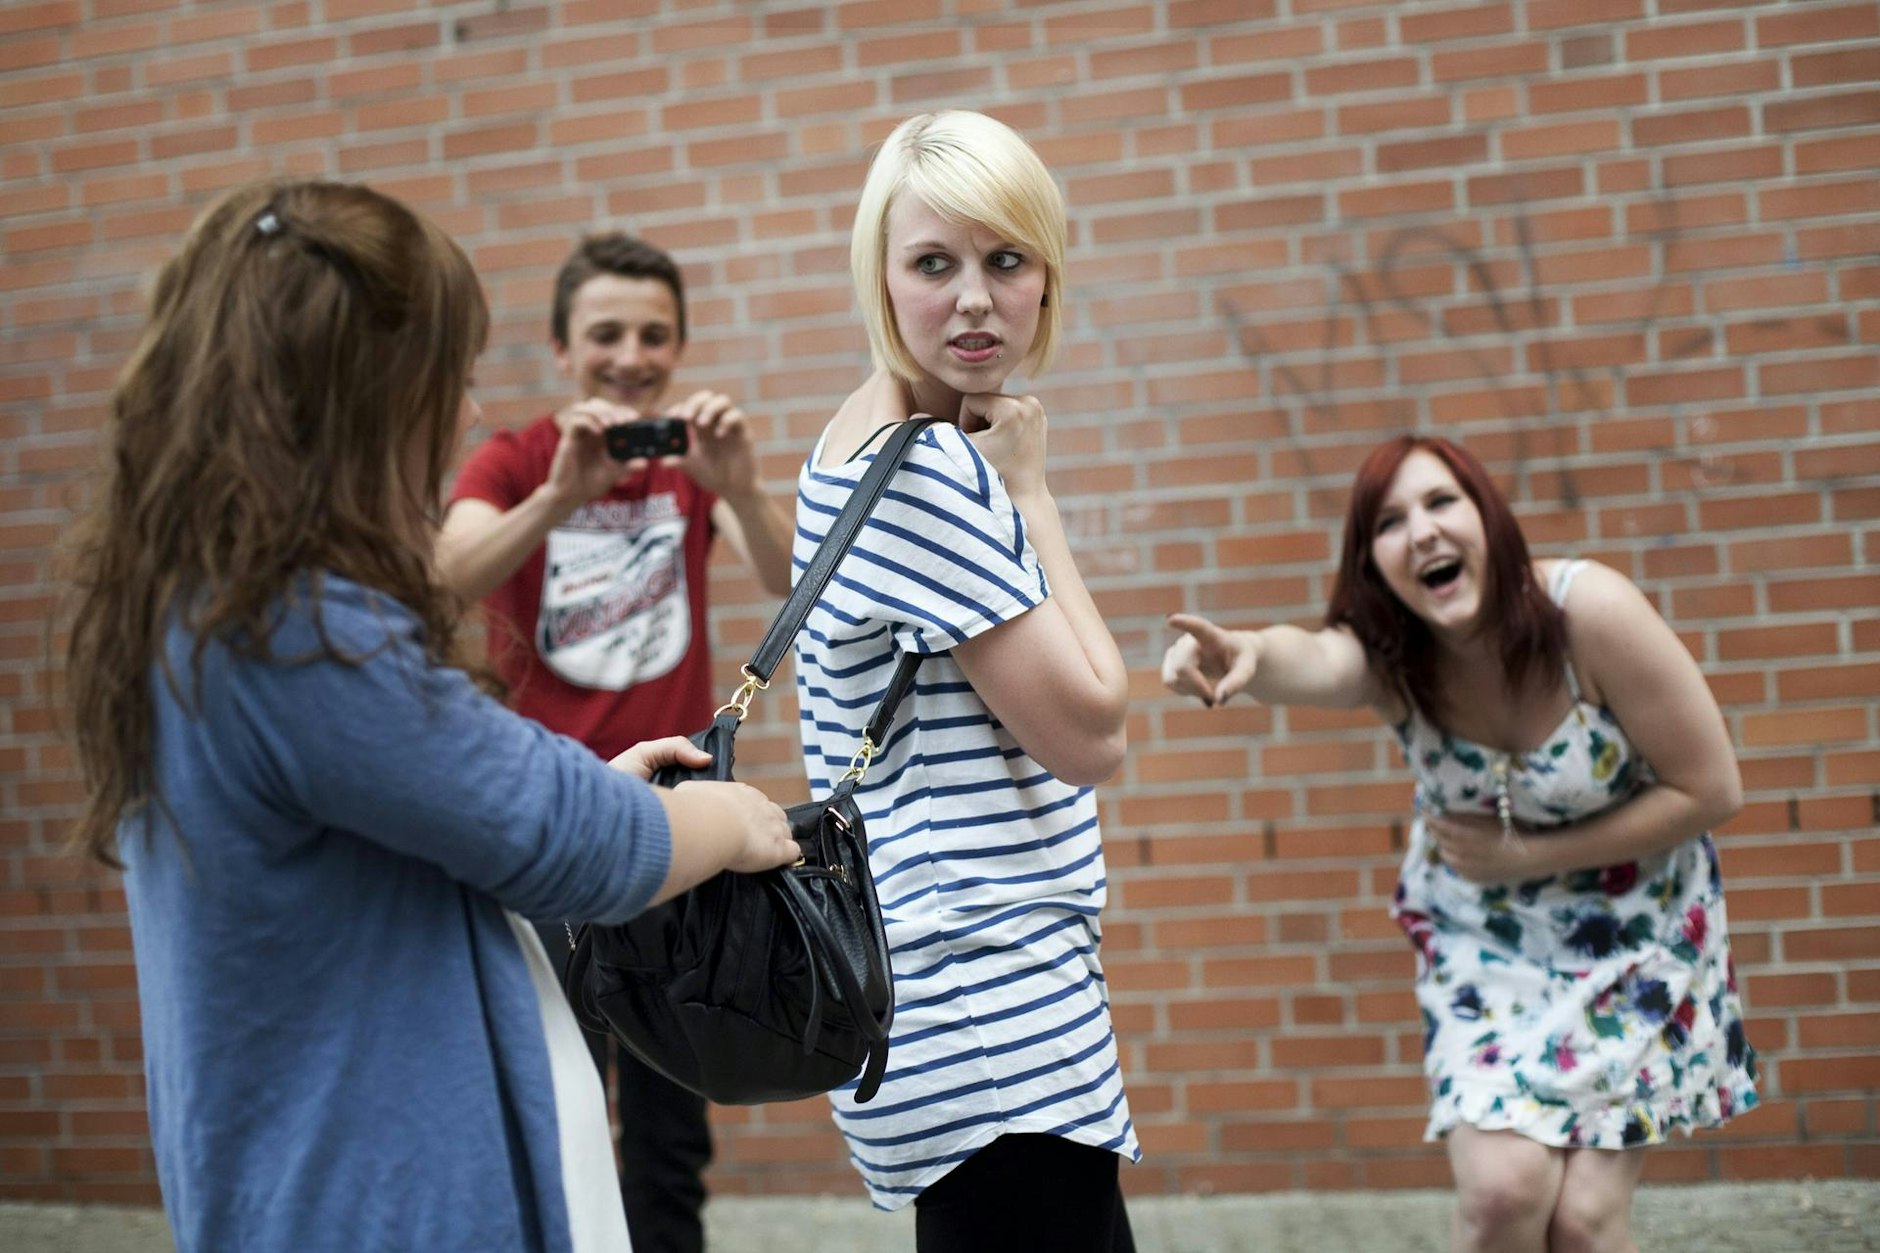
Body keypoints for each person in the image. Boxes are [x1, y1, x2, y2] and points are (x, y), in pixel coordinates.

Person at [61, 179, 799, 1253]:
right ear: (357, 394)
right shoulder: (295, 629)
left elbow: (444, 773)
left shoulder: (208, 599)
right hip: (372, 1194)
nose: (462, 414)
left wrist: (594, 776)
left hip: (309, 1176)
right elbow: (569, 840)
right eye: (441, 381)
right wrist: (733, 821)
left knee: (666, 1161)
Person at [1161, 434, 1759, 1253]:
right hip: (1488, 937)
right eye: (1391, 522)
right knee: (1504, 1194)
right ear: (1373, 565)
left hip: (1638, 933)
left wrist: (1528, 856)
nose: (1424, 532)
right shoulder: (1395, 657)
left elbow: (1712, 786)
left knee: (1583, 1223)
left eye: (1443, 502)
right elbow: (1315, 657)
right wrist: (1253, 652)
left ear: (1489, 516)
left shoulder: (1590, 612)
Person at [792, 111, 1139, 1252]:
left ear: (1046, 275)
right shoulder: (935, 472)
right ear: (880, 281)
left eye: (1006, 260)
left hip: (934, 994)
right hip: (993, 1002)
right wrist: (1031, 493)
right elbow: (1093, 729)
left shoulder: (855, 432)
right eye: (932, 263)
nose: (975, 300)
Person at [435, 231, 794, 1253]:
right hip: (547, 824)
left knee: (669, 1131)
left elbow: (778, 576)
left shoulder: (689, 466)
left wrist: (736, 482)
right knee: (559, 1101)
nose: (630, 355)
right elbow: (445, 572)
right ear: (560, 348)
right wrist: (558, 497)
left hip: (677, 825)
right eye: (604, 334)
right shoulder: (512, 460)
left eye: (653, 334)